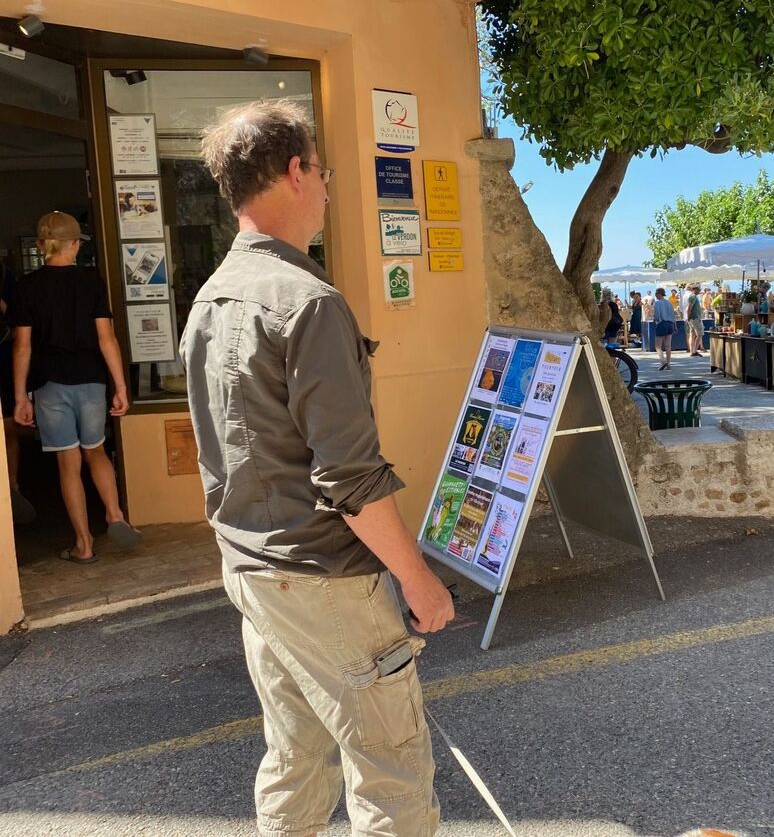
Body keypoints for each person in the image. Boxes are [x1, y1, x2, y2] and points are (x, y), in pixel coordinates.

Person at [181, 99, 453, 837]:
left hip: (253, 570)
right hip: (324, 576)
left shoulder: (208, 300)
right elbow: (351, 480)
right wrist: (417, 578)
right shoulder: (308, 302)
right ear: (296, 171)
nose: (329, 189)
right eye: (324, 172)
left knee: (296, 756)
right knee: (392, 773)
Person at [10, 212, 142, 564]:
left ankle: (84, 544)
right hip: (91, 381)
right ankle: (114, 514)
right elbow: (106, 338)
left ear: (41, 245)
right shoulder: (90, 281)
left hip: (50, 384)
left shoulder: (26, 287)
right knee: (95, 451)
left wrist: (20, 396)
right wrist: (120, 386)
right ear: (74, 245)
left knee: (68, 464)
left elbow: (22, 346)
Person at [0, 255, 34, 525]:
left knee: (9, 426)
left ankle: (12, 487)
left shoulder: (5, 276)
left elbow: (17, 325)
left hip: (3, 358)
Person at [652, 286, 676, 370]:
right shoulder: (669, 303)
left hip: (662, 323)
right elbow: (673, 315)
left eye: (656, 293)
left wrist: (656, 321)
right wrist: (675, 325)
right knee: (668, 345)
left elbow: (657, 315)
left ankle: (663, 361)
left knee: (658, 345)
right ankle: (668, 363)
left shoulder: (658, 303)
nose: (655, 295)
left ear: (659, 294)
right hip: (670, 324)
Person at [684, 284, 704, 356]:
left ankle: (692, 351)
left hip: (692, 318)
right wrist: (689, 317)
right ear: (694, 289)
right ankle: (694, 351)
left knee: (692, 334)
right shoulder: (693, 296)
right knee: (700, 334)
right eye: (698, 289)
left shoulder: (694, 296)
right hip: (695, 318)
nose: (699, 291)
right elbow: (689, 308)